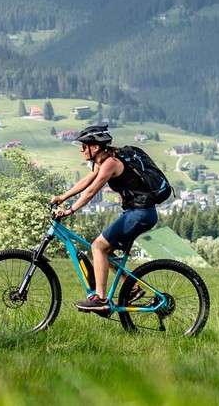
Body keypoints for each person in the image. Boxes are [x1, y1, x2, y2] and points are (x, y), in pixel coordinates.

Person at [50, 124, 158, 312]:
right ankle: (132, 288)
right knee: (105, 252)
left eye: (84, 146)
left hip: (140, 214)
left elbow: (92, 191)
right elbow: (87, 181)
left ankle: (101, 300)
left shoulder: (110, 163)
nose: (82, 149)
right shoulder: (102, 161)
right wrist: (62, 197)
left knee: (98, 247)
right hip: (136, 212)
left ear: (96, 147)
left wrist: (69, 210)